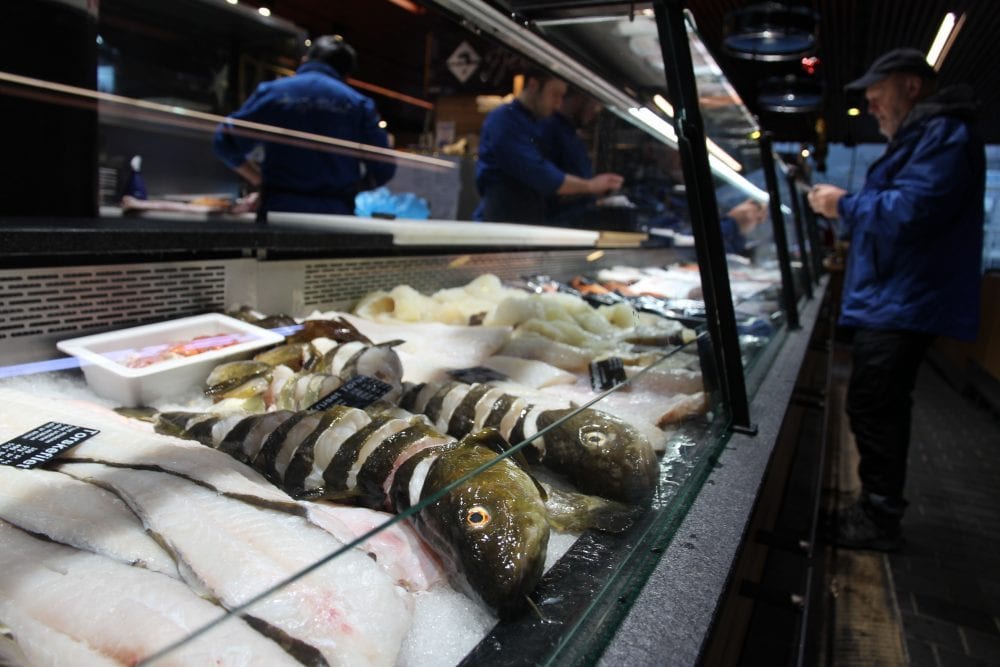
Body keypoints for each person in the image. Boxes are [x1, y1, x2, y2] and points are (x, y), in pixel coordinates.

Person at [807, 47, 985, 551]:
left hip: (904, 297)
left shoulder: (943, 133)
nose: (868, 102)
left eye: (876, 90)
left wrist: (842, 204)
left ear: (910, 85)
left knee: (875, 401)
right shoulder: (926, 135)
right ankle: (874, 507)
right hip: (892, 295)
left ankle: (879, 516)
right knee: (874, 400)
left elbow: (911, 211)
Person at [213, 35, 395, 215]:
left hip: (280, 210)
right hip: (336, 214)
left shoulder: (274, 92)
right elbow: (384, 169)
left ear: (305, 60)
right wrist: (353, 189)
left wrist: (262, 182)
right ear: (347, 74)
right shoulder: (359, 104)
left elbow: (225, 143)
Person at [474, 68, 624, 224]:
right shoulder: (504, 119)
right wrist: (590, 186)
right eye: (555, 95)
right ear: (533, 85)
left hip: (529, 219)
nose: (559, 103)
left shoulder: (539, 122)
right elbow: (537, 172)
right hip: (501, 220)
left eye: (562, 96)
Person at [538, 89, 601, 223]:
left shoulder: (570, 133)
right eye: (594, 103)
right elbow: (546, 181)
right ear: (580, 97)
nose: (596, 110)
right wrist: (591, 186)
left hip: (572, 222)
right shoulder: (549, 128)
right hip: (555, 224)